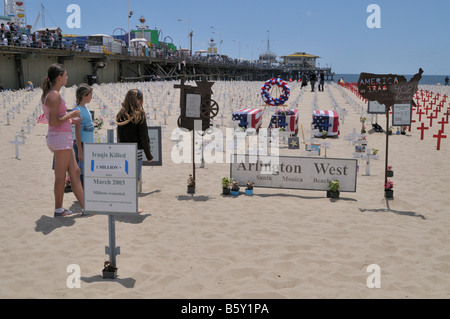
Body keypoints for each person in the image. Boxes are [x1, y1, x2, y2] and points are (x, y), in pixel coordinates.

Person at [41, 63, 85, 217]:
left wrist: (70, 121)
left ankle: (85, 208)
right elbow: (53, 122)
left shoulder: (52, 94)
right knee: (60, 176)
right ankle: (58, 210)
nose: (67, 77)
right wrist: (71, 115)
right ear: (59, 78)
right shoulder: (54, 95)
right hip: (59, 138)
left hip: (62, 137)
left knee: (75, 172)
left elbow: (57, 119)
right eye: (65, 75)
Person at [116, 89, 153, 214]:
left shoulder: (121, 114)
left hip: (124, 151)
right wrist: (148, 154)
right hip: (135, 151)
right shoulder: (140, 114)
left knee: (125, 178)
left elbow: (119, 135)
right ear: (137, 100)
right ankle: (132, 205)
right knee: (135, 179)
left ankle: (123, 204)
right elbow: (143, 136)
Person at [73, 84, 95, 188]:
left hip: (88, 143)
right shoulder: (77, 111)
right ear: (84, 96)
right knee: (82, 169)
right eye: (90, 95)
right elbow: (77, 131)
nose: (91, 97)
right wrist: (80, 150)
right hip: (81, 143)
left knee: (87, 168)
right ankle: (82, 191)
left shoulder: (85, 107)